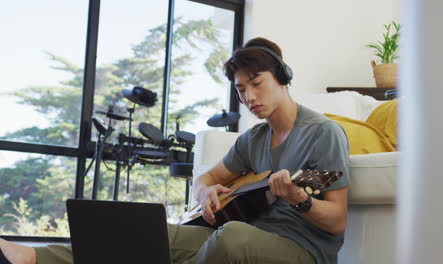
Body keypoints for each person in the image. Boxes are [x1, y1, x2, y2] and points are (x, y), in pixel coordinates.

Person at [0, 37, 349, 264]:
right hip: (249, 232)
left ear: (282, 77)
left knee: (230, 237)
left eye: (256, 84)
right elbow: (208, 177)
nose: (249, 98)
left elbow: (337, 222)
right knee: (150, 231)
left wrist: (298, 198)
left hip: (302, 250)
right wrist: (206, 190)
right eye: (241, 90)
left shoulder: (323, 134)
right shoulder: (254, 138)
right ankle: (34, 257)